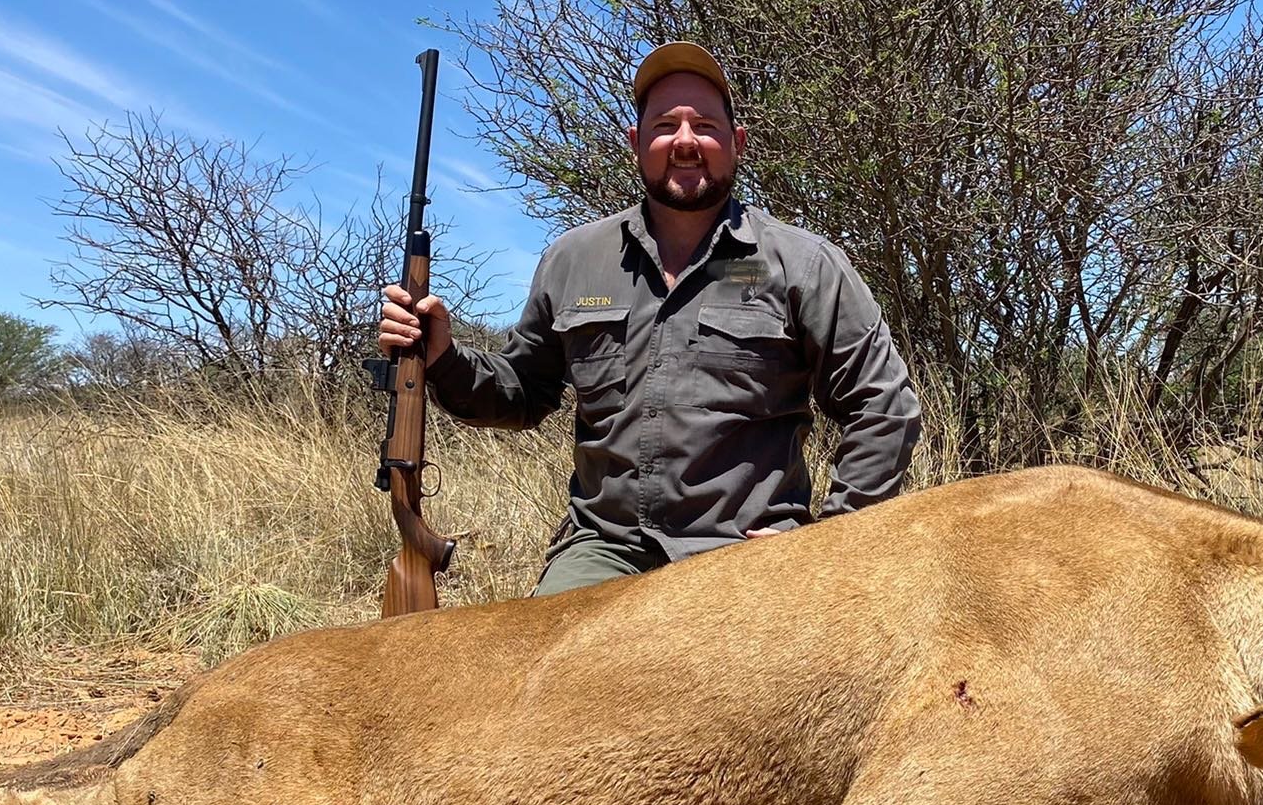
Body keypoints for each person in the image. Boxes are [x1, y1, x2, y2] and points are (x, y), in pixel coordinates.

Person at [378, 41, 921, 596]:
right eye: (666, 126)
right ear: (638, 144)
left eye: (704, 126)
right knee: (540, 673)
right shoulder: (573, 258)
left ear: (737, 144)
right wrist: (443, 356)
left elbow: (885, 405)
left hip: (747, 553)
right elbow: (521, 392)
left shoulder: (802, 263)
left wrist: (829, 542)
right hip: (603, 549)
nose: (685, 142)